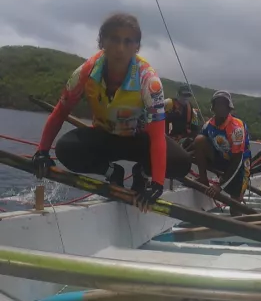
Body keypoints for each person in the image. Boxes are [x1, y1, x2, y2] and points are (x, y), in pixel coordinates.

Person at [31, 12, 192, 212]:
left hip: (140, 141)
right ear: (102, 42)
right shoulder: (85, 72)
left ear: (137, 47)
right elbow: (61, 112)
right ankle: (112, 172)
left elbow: (157, 137)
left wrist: (157, 184)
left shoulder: (149, 81)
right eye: (114, 39)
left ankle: (141, 173)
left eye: (128, 41)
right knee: (65, 149)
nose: (120, 48)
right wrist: (42, 151)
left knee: (181, 163)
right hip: (105, 137)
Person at [192, 91, 251, 215]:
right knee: (199, 140)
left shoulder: (236, 128)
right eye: (218, 104)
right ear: (213, 108)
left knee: (235, 205)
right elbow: (197, 145)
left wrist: (220, 186)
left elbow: (237, 160)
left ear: (229, 108)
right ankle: (203, 179)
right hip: (222, 157)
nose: (221, 108)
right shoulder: (209, 125)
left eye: (224, 105)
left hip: (239, 164)